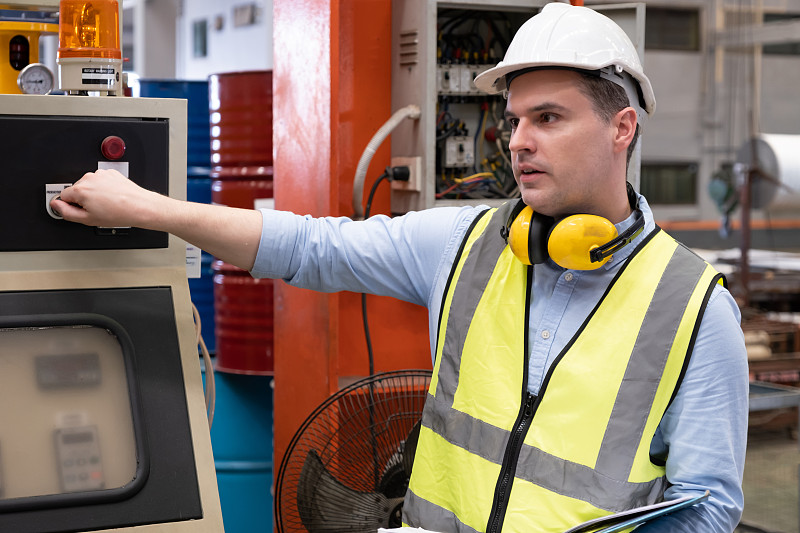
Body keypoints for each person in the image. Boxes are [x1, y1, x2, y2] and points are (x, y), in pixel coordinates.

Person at [51, 3, 748, 532]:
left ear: (621, 127)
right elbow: (308, 246)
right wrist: (150, 208)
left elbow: (710, 508)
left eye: (548, 118)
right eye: (512, 121)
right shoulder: (468, 243)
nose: (519, 142)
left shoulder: (691, 307)